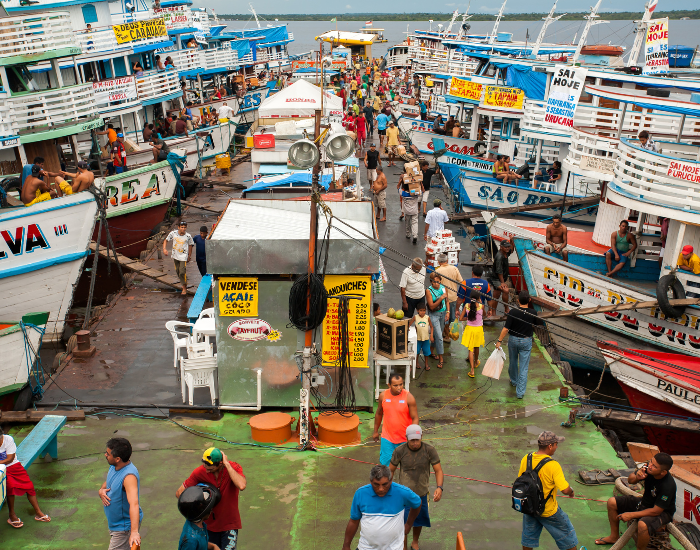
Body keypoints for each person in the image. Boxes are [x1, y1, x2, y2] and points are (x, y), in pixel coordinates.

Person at [596, 452, 676, 549]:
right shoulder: (647, 468)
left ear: (663, 472)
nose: (650, 466)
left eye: (654, 466)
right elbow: (630, 480)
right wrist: (637, 477)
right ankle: (614, 537)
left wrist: (631, 514)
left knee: (642, 525)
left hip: (662, 512)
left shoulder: (668, 486)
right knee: (612, 502)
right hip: (645, 502)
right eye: (651, 461)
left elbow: (656, 511)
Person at [175, 447, 246, 550]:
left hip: (229, 524)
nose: (207, 471)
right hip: (209, 526)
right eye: (205, 467)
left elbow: (241, 485)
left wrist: (227, 465)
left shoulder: (233, 467)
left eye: (210, 469)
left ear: (220, 464)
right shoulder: (199, 472)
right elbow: (179, 493)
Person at [518, 431, 578, 550]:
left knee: (528, 538)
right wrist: (571, 491)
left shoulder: (526, 458)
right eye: (556, 444)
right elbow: (565, 490)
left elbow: (520, 480)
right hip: (548, 510)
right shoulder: (553, 465)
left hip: (530, 508)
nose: (556, 447)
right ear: (550, 446)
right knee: (568, 537)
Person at [342, 465, 422, 550]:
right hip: (365, 547)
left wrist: (409, 524)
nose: (381, 489)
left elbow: (417, 503)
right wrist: (346, 546)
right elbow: (354, 521)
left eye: (385, 484)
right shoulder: (360, 494)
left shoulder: (402, 492)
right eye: (376, 484)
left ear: (390, 480)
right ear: (371, 481)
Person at [389, 425, 444, 550]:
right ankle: (402, 545)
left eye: (417, 440)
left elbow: (438, 470)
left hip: (421, 493)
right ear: (406, 438)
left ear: (421, 437)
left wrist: (439, 487)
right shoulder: (399, 451)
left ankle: (415, 541)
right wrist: (388, 488)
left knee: (419, 520)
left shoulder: (429, 450)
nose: (415, 443)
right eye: (412, 440)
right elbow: (390, 470)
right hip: (403, 495)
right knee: (402, 522)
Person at [495, 290, 545, 399]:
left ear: (518, 301)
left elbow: (505, 329)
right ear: (529, 300)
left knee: (513, 362)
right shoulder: (532, 312)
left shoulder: (513, 312)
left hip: (513, 340)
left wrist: (499, 341)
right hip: (526, 341)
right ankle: (520, 393)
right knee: (523, 368)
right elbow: (539, 324)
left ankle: (514, 381)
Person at [1, 426, 51, 528]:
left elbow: (10, 459)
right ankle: (12, 515)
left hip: (14, 466)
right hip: (2, 470)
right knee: (11, 487)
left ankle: (38, 512)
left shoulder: (8, 439)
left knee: (30, 487)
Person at [99, 438, 142, 550]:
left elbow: (134, 504)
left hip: (123, 529)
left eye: (108, 454)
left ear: (118, 458)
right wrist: (101, 490)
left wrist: (134, 532)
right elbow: (110, 481)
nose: (105, 455)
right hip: (115, 524)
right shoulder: (114, 466)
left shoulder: (129, 477)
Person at [373, 374, 419, 466]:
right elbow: (379, 413)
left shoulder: (409, 397)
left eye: (401, 384)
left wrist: (413, 436)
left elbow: (415, 418)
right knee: (386, 466)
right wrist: (375, 431)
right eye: (395, 385)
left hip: (404, 439)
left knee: (407, 466)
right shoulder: (383, 396)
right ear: (389, 385)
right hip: (387, 438)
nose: (399, 388)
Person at [177, 485, 222, 550]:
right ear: (202, 513)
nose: (211, 510)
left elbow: (201, 544)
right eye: (209, 509)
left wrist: (213, 546)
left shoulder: (199, 524)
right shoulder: (190, 541)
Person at [163, 221, 194, 296]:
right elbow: (166, 240)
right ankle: (184, 283)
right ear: (178, 227)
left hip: (183, 256)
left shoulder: (188, 236)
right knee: (178, 271)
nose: (183, 229)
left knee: (182, 272)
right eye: (182, 227)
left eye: (185, 227)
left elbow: (190, 245)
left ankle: (184, 287)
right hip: (175, 255)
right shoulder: (173, 233)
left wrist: (189, 256)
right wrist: (164, 249)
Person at [459, 288, 485, 377]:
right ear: (478, 297)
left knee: (470, 349)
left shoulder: (466, 305)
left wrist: (468, 318)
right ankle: (476, 361)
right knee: (476, 346)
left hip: (469, 329)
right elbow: (484, 315)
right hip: (478, 329)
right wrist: (480, 302)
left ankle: (472, 370)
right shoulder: (481, 306)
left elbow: (461, 318)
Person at [425, 272, 447, 369]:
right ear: (431, 282)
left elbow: (447, 301)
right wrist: (440, 298)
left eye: (438, 281)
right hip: (434, 315)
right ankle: (441, 359)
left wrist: (449, 312)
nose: (437, 283)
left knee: (436, 334)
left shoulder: (443, 287)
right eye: (434, 282)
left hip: (443, 313)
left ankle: (431, 350)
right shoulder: (428, 291)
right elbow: (431, 306)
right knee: (439, 336)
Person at [435, 252, 464, 327]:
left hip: (443, 298)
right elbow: (462, 282)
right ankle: (449, 334)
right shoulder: (454, 268)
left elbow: (435, 286)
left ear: (438, 262)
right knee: (452, 318)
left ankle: (445, 334)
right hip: (453, 297)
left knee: (444, 318)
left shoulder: (438, 271)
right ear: (447, 260)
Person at [489, 239, 514, 317]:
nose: (507, 248)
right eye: (505, 247)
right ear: (501, 247)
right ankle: (506, 309)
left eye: (508, 247)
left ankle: (493, 313)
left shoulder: (506, 253)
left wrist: (512, 241)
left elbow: (512, 250)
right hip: (496, 278)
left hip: (500, 278)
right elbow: (499, 271)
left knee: (496, 295)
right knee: (505, 291)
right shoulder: (499, 256)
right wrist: (502, 282)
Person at [409, 303, 434, 370]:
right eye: (421, 310)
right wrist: (408, 328)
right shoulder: (416, 317)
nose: (422, 312)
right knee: (416, 352)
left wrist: (431, 335)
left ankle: (426, 364)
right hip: (418, 339)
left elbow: (431, 327)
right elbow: (410, 323)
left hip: (426, 339)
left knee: (426, 352)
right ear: (417, 310)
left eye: (424, 310)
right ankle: (416, 363)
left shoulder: (427, 318)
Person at [401, 179, 423, 244]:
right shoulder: (415, 193)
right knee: (415, 223)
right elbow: (423, 191)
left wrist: (400, 181)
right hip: (415, 211)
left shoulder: (403, 193)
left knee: (407, 223)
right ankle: (415, 236)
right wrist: (420, 183)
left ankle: (408, 234)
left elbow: (397, 187)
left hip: (407, 211)